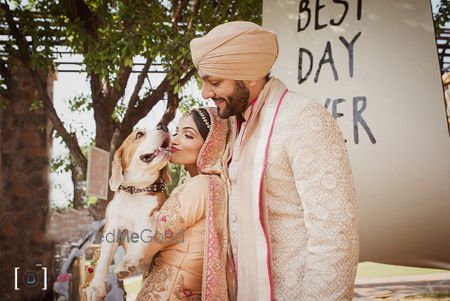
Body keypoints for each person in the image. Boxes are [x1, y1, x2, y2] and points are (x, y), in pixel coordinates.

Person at [190, 21, 359, 300]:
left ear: (251, 76)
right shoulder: (234, 127)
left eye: (215, 82)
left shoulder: (303, 118)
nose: (205, 93)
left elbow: (335, 235)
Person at [135, 107, 234, 301]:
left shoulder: (199, 185)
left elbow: (142, 247)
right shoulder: (214, 185)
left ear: (211, 145)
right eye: (176, 132)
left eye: (188, 135)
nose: (175, 140)